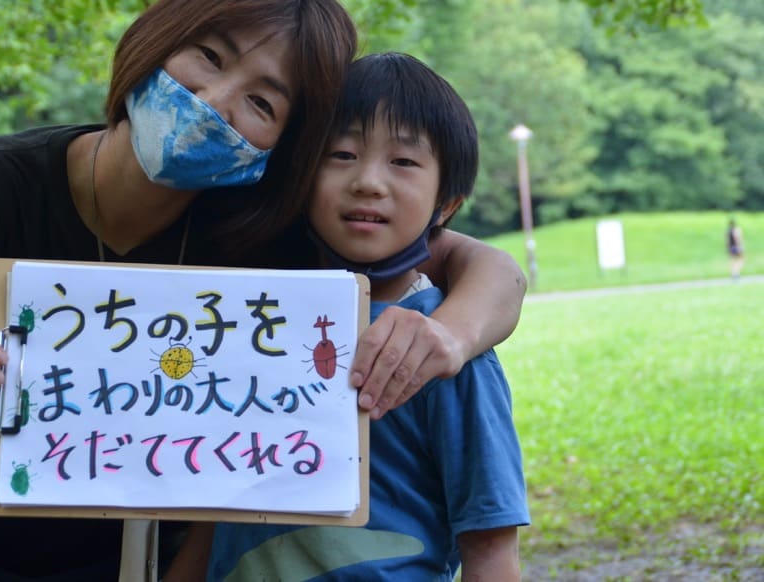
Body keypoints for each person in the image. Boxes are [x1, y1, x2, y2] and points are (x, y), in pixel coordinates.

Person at [0, 0, 526, 580]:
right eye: (208, 56)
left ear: (286, 149)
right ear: (157, 39)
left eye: (263, 103)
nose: (215, 101)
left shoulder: (265, 232)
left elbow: (485, 265)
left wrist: (451, 338)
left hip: (137, 563)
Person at [183, 53, 530, 581]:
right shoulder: (246, 325)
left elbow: (490, 546)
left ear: (447, 206)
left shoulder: (442, 351)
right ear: (300, 176)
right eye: (340, 153)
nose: (368, 181)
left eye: (404, 162)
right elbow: (214, 508)